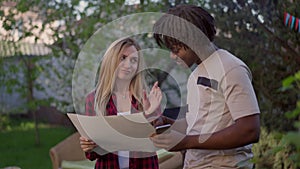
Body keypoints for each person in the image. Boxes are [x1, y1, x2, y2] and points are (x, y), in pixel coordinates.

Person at [150, 4, 260, 169]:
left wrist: (186, 142)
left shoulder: (230, 68)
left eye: (176, 50)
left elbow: (249, 130)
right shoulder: (196, 74)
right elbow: (198, 125)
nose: (172, 56)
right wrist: (168, 123)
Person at [79, 37, 162, 169]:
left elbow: (158, 141)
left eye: (134, 60)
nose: (128, 65)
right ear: (111, 61)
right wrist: (88, 147)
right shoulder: (94, 99)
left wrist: (149, 113)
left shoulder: (146, 98)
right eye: (122, 58)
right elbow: (93, 155)